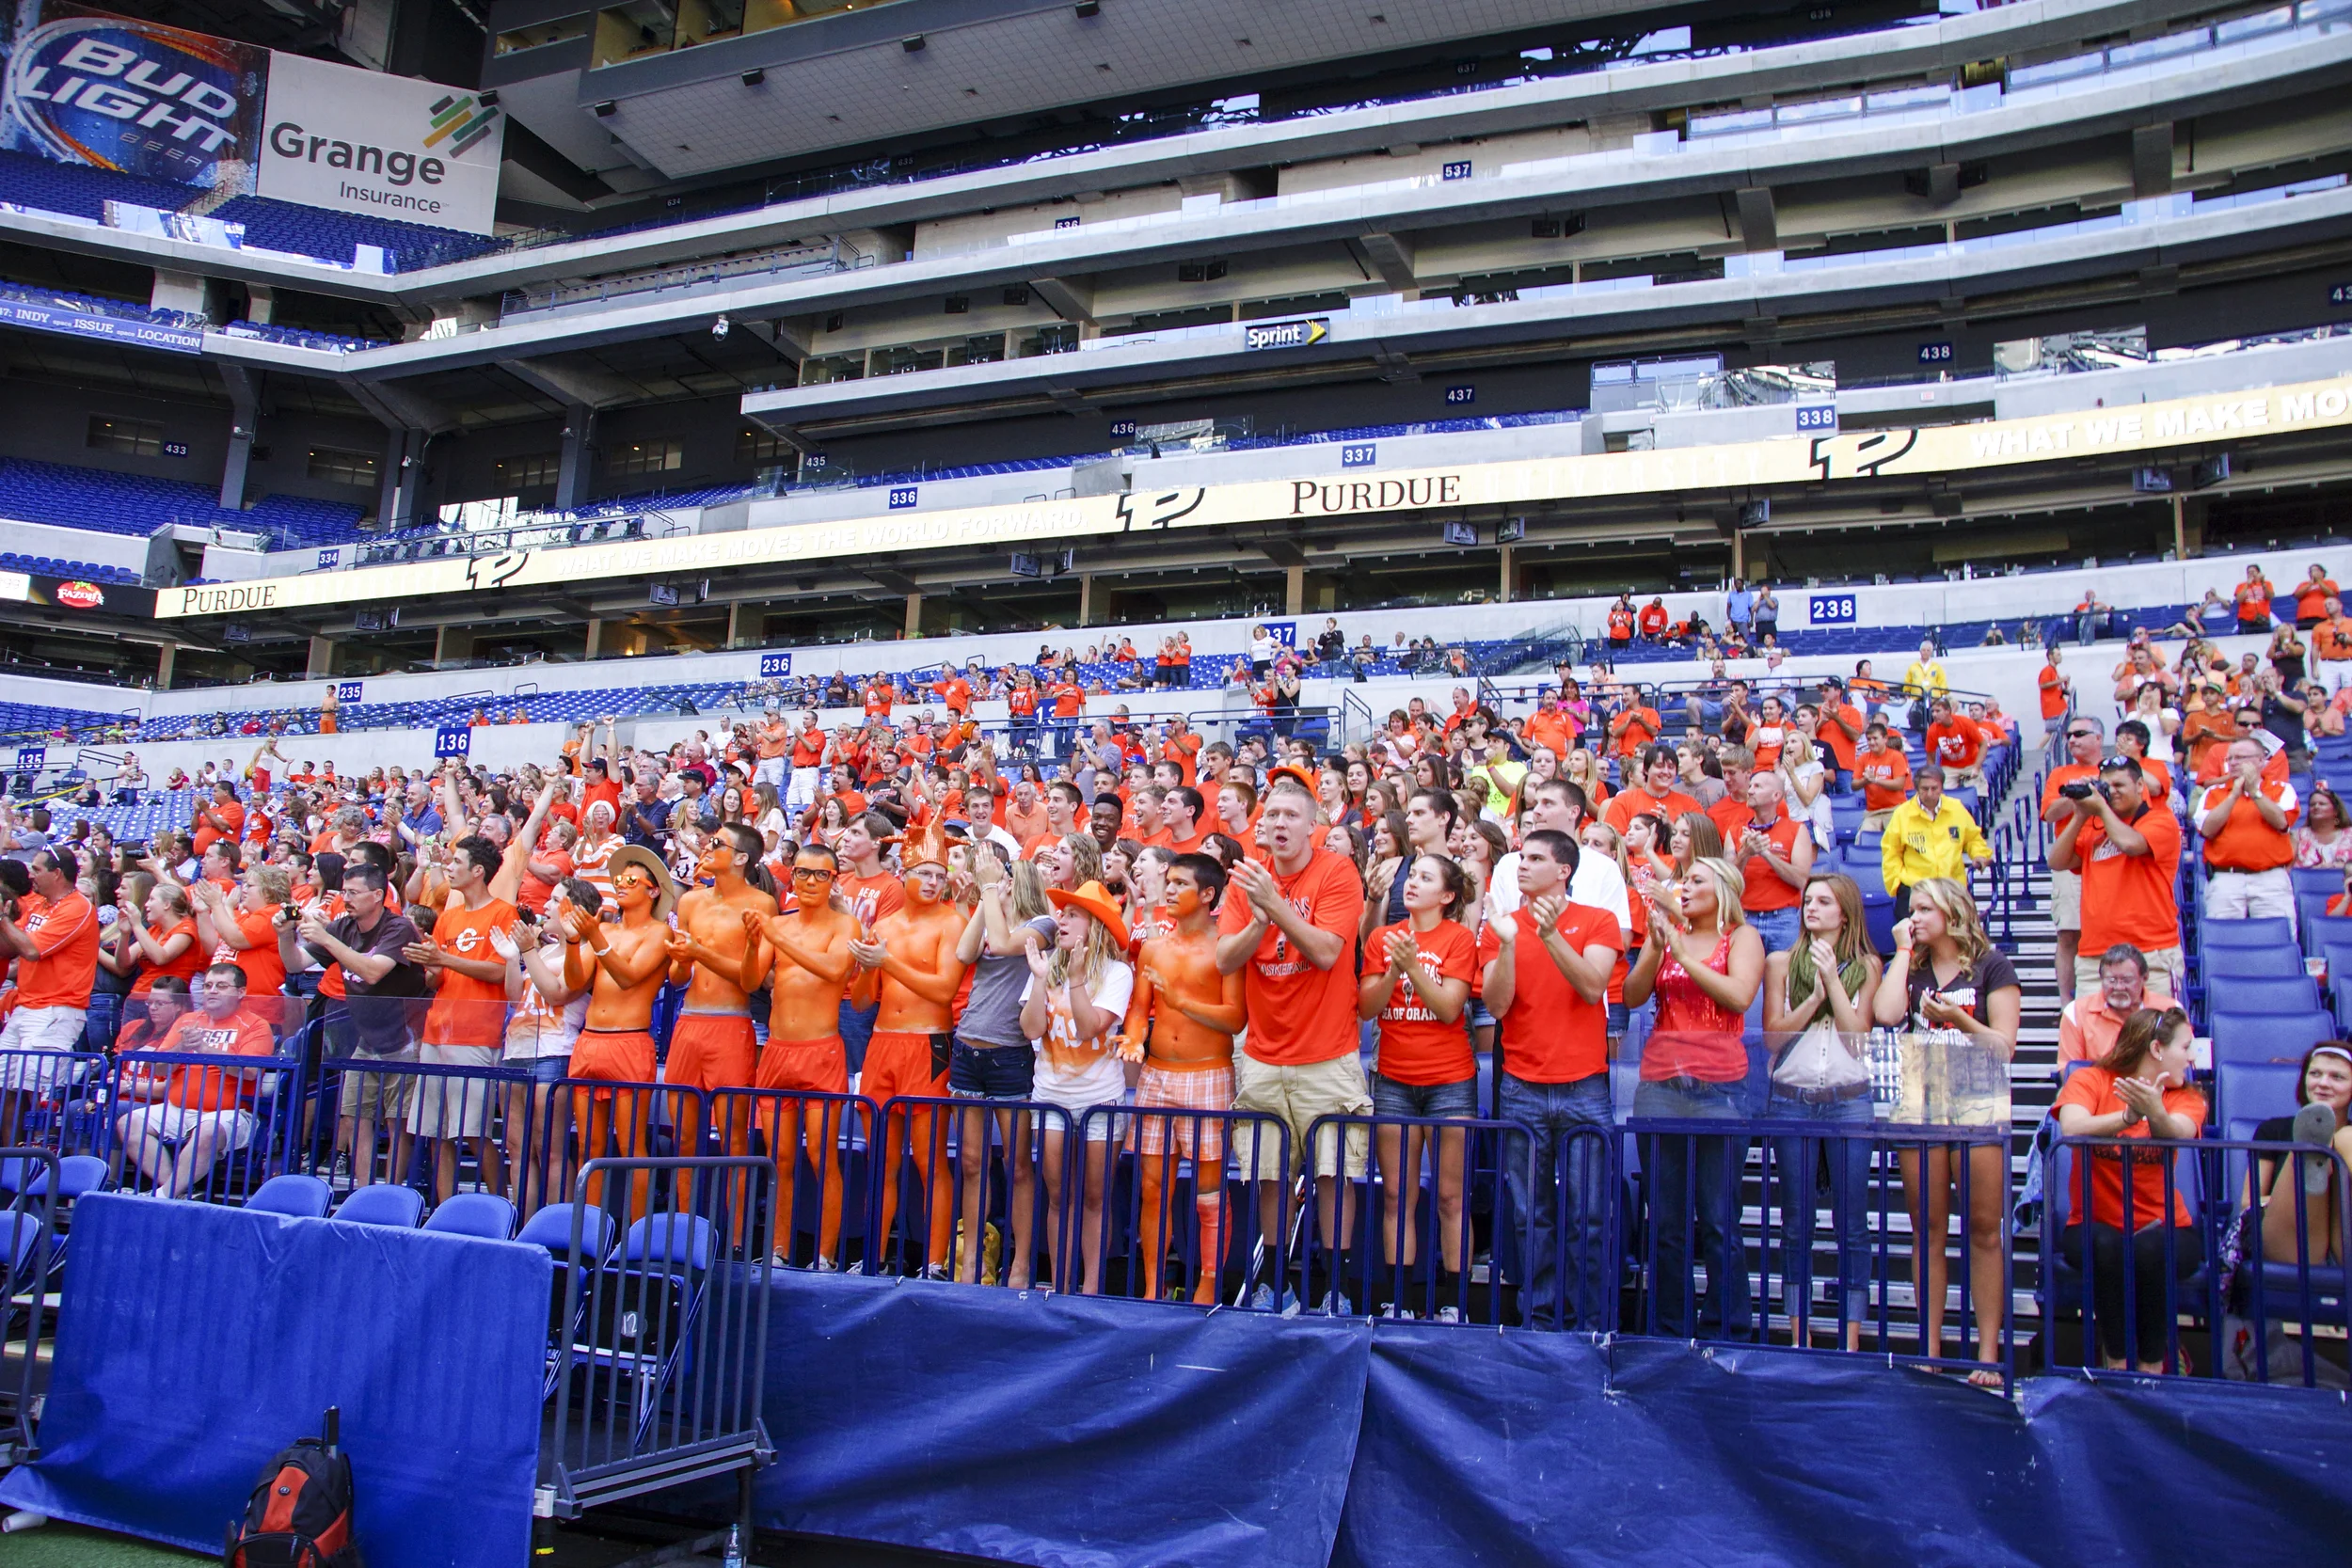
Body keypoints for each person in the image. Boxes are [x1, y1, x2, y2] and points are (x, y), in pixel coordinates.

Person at [1216, 776, 1369, 1314]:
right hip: (1261, 1053)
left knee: (1332, 1176)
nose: (1278, 824)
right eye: (1271, 815)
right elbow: (1226, 959)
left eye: (1289, 815)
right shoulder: (1247, 882)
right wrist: (1260, 917)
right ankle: (1272, 1282)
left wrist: (1273, 907)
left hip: (1329, 1054)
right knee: (1269, 1174)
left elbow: (1328, 951)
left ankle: (1337, 1290)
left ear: (1312, 825)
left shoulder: (1336, 870)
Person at [1872, 878, 2019, 1387]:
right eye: (1912, 909)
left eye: (1924, 909)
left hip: (1978, 1100)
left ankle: (1986, 1351)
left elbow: (2004, 1047)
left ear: (1953, 911)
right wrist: (1902, 950)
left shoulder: (1991, 966)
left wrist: (1958, 1017)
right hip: (1920, 1098)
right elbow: (1887, 1014)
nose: (1915, 916)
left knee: (1982, 1229)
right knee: (1926, 1230)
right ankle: (1929, 1347)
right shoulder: (1910, 964)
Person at [1481, 831, 1621, 1330]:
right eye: (1521, 857)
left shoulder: (1599, 920)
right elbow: (1496, 1005)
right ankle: (1539, 1321)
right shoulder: (1503, 926)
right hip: (1521, 1084)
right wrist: (1507, 942)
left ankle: (1589, 1324)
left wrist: (1549, 935)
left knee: (1589, 1217)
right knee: (1528, 1215)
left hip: (1584, 1085)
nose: (1522, 865)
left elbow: (1591, 986)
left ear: (1564, 870)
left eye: (1535, 858)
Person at [1625, 856, 1765, 1339]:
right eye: (1682, 881)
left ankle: (1728, 1328)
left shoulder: (1742, 937)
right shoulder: (1669, 938)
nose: (1683, 888)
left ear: (1723, 889)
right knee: (1666, 1221)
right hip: (1661, 1084)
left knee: (1720, 1218)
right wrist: (1653, 947)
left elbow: (1740, 996)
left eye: (1696, 881)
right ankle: (1669, 1329)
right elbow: (1630, 996)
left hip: (1720, 1088)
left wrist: (1682, 955)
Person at [1762, 873, 1883, 1352]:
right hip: (1793, 1100)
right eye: (1808, 900)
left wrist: (1831, 979)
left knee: (1851, 1224)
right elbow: (1774, 1037)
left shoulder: (1869, 965)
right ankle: (1798, 1332)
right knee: (1796, 1222)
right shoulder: (1781, 962)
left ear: (1845, 913)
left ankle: (1851, 1339)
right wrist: (1812, 997)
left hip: (1849, 1098)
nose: (1811, 908)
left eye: (1824, 901)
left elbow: (1856, 1039)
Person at [1357, 850, 1479, 1318]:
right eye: (1411, 877)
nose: (1412, 884)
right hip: (1393, 1078)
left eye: (1425, 879)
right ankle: (1398, 1302)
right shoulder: (1383, 937)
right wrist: (1393, 969)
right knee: (1396, 1194)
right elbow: (1368, 1009)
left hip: (1450, 1080)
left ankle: (1456, 1303)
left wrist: (1412, 968)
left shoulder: (1460, 938)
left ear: (1446, 896)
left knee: (1450, 1196)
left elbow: (1450, 1009)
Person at [2052, 1006, 2204, 1373]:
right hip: (2094, 1223)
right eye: (2185, 1047)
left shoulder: (2187, 1095)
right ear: (2156, 1050)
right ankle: (2116, 1361)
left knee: (2149, 1248)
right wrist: (2127, 1118)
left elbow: (2179, 1132)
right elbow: (2072, 1127)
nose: (2192, 1056)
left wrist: (2156, 1112)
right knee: (2107, 1247)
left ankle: (2153, 1363)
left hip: (2164, 1225)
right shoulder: (2092, 1080)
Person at [849, 815, 968, 1278]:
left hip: (928, 1046)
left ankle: (936, 1260)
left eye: (940, 875)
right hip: (882, 1043)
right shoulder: (886, 922)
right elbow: (862, 999)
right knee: (881, 1159)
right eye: (925, 874)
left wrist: (887, 961)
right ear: (907, 874)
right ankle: (873, 1257)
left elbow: (943, 991)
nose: (934, 882)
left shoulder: (952, 923)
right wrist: (865, 967)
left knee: (929, 1159)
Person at [1122, 852, 1246, 1305]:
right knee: (1152, 1187)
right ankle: (1155, 1286)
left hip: (1208, 1075)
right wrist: (1134, 1040)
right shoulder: (1154, 947)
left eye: (1180, 883)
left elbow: (1235, 1018)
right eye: (1168, 882)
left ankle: (1208, 1285)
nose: (1169, 890)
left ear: (1208, 894)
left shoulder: (1225, 948)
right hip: (1156, 1074)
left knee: (1209, 1192)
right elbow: (1138, 1010)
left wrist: (1178, 998)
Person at [739, 842, 861, 1267]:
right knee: (780, 1158)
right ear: (792, 876)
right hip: (776, 1051)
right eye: (804, 873)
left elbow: (832, 970)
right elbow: (752, 978)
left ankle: (825, 1255)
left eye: (821, 875)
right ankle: (778, 1249)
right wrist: (756, 943)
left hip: (820, 1050)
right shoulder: (780, 925)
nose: (811, 882)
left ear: (833, 881)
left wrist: (773, 936)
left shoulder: (845, 926)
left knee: (821, 1156)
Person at [1018, 879, 1133, 1295]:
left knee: (1094, 1198)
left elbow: (1088, 1030)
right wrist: (1039, 980)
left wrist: (1079, 979)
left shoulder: (1118, 973)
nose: (1060, 921)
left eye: (1072, 915)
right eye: (1062, 913)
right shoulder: (1048, 966)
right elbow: (1030, 1028)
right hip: (1050, 1097)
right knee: (1056, 1195)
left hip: (1100, 1098)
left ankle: (1090, 1288)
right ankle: (1060, 1286)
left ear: (1095, 927)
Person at [663, 824, 778, 1209]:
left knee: (734, 1136)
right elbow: (677, 975)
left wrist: (699, 953)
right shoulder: (691, 902)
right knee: (683, 1134)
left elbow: (753, 979)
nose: (707, 847)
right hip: (689, 1021)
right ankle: (682, 1227)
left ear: (741, 858)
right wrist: (681, 960)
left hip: (731, 1024)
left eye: (717, 843)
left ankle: (735, 1239)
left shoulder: (762, 905)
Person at [402, 836, 517, 1206]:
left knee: (472, 1132)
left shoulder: (504, 913)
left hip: (476, 1034)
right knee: (436, 1133)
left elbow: (499, 972)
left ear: (478, 871)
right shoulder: (447, 916)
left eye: (456, 862)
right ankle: (443, 1209)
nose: (448, 867)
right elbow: (437, 976)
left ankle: (504, 1208)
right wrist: (427, 963)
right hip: (438, 1029)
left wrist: (444, 961)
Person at [561, 845, 675, 1218]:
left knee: (631, 1147)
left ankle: (636, 1236)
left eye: (630, 879)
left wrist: (593, 937)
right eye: (619, 879)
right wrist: (574, 940)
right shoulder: (605, 927)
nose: (620, 884)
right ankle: (587, 1229)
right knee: (587, 1146)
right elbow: (576, 981)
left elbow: (628, 977)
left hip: (629, 1040)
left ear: (653, 889)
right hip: (590, 1039)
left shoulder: (660, 933)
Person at [113, 962, 281, 1198]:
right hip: (177, 1108)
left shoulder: (255, 1025)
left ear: (241, 992)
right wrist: (182, 1046)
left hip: (231, 1112)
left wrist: (204, 1049)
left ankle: (163, 1196)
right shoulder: (187, 1021)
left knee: (207, 1131)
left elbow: (250, 1071)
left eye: (221, 986)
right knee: (129, 1124)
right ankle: (175, 1192)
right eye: (208, 985)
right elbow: (157, 1067)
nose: (212, 991)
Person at [2048, 754, 2185, 1000]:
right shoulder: (2095, 827)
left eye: (2119, 785)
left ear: (2140, 786)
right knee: (2095, 1037)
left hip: (2150, 952)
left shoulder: (2161, 819)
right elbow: (2056, 861)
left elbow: (2131, 844)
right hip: (2095, 956)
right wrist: (2080, 814)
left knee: (2152, 1035)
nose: (2112, 792)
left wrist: (2100, 808)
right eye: (2106, 786)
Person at [0, 847, 98, 1128]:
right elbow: (10, 947)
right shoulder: (40, 905)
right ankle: (11, 1164)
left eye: (37, 869)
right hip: (26, 1005)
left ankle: (29, 1163)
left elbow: (30, 950)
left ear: (57, 874)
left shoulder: (77, 907)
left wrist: (2, 921)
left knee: (26, 1092)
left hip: (56, 1008)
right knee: (6, 1088)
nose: (30, 875)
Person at [2246, 1043, 2352, 1271]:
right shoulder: (2273, 1130)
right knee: (2323, 1144)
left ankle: (2321, 1150)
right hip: (2288, 1237)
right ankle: (2310, 1149)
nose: (2323, 1083)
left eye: (2337, 1077)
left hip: (2343, 1239)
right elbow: (2248, 1201)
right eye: (2315, 1074)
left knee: (2345, 1137)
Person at [2196, 736, 2298, 927]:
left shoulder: (2282, 789)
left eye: (2241, 758)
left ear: (2261, 760)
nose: (2233, 763)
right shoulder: (2214, 793)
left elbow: (2282, 823)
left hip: (2270, 878)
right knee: (2223, 941)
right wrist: (2234, 795)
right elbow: (2207, 830)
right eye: (2230, 759)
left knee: (2276, 939)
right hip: (2226, 878)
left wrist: (2254, 792)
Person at [2042, 715, 2105, 1006]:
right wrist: (2078, 795)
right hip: (2069, 861)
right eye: (2069, 735)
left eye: (2079, 733)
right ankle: (2067, 1002)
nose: (2072, 740)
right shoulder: (2060, 773)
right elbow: (2051, 813)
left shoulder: (2112, 770)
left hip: (2106, 859)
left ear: (2098, 738)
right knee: (2068, 933)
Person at [1880, 768, 1992, 921]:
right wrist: (1897, 884)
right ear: (1917, 788)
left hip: (1952, 887)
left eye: (1935, 788)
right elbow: (1891, 852)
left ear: (1942, 787)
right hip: (1916, 889)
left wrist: (1979, 854)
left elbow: (1973, 838)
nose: (1930, 793)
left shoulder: (1956, 808)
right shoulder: (1902, 814)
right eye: (1925, 789)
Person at [2056, 944, 2175, 1064]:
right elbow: (2069, 1070)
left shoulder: (2170, 1011)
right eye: (2111, 980)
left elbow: (2180, 1066)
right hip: (2096, 1082)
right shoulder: (2075, 1013)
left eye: (2127, 980)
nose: (2119, 987)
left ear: (2144, 978)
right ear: (2101, 979)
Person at [1855, 720, 1912, 835]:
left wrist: (1876, 780)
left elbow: (1899, 784)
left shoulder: (1896, 756)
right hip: (1873, 812)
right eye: (1869, 739)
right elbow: (1854, 785)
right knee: (1862, 838)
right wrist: (1865, 781)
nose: (1872, 742)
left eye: (1875, 738)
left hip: (1895, 809)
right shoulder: (1863, 758)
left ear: (1885, 739)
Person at [2292, 784, 2352, 868]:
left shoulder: (2350, 835)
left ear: (2336, 810)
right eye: (2312, 804)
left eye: (2322, 804)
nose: (2316, 807)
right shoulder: (2296, 836)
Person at [2038, 646, 2073, 743]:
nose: (2060, 657)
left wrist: (2064, 686)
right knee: (2050, 731)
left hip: (2058, 706)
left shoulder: (2054, 670)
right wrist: (2061, 680)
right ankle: (2039, 750)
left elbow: (2056, 687)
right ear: (2050, 656)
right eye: (2058, 654)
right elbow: (2043, 684)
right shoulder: (2047, 670)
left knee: (2061, 731)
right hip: (2052, 708)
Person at [2236, 563, 2278, 634]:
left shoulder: (2267, 583)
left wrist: (2263, 582)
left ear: (2258, 573)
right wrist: (2247, 585)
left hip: (2262, 618)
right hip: (2246, 619)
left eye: (2253, 572)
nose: (2251, 574)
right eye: (2248, 572)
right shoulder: (2241, 585)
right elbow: (2239, 600)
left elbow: (2270, 597)